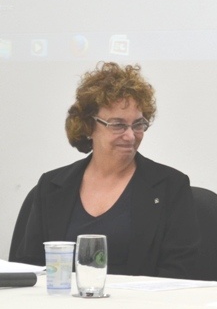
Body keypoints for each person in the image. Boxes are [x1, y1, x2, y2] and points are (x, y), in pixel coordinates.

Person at [13, 62, 200, 279]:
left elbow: (179, 273)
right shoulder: (52, 186)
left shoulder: (170, 186)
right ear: (88, 126)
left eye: (138, 125)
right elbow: (30, 269)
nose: (130, 136)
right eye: (118, 125)